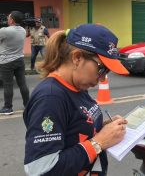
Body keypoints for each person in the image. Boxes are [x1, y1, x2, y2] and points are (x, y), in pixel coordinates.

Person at [23, 24, 129, 175]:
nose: (104, 77)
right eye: (101, 68)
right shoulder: (50, 98)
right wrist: (99, 143)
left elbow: (74, 127)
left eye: (108, 71)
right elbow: (40, 169)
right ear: (77, 58)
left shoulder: (78, 85)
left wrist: (107, 128)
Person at [0, 11, 30, 115]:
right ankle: (28, 104)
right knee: (22, 83)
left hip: (6, 62)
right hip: (19, 60)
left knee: (8, 85)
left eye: (8, 17)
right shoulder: (22, 30)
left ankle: (8, 108)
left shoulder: (4, 31)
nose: (7, 19)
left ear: (12, 20)